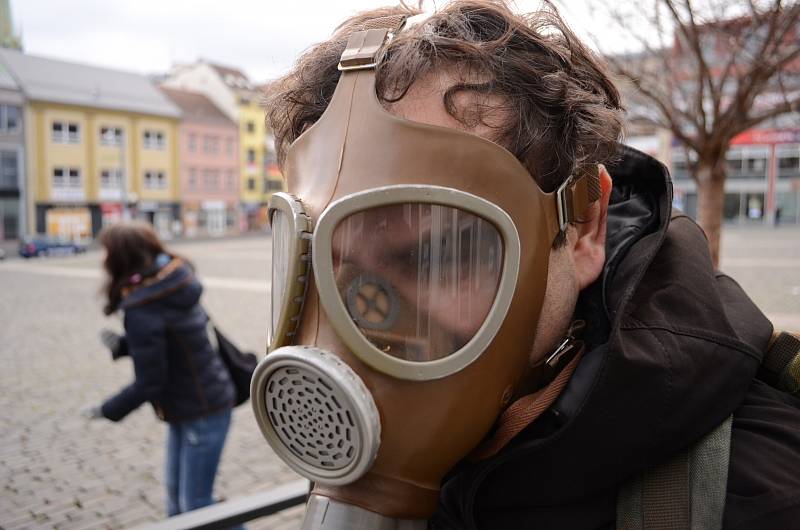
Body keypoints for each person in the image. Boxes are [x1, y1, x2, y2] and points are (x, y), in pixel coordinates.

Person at [252, 1, 800, 529]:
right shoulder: (430, 457)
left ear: (584, 227)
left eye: (437, 255)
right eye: (329, 264)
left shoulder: (755, 495)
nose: (367, 329)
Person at [82, 221, 237, 519]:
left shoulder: (144, 306)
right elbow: (177, 337)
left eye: (105, 251)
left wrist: (107, 409)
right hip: (193, 404)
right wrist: (127, 345)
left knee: (196, 507)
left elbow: (150, 382)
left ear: (120, 257)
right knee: (177, 505)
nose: (101, 258)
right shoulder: (171, 283)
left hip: (203, 411)